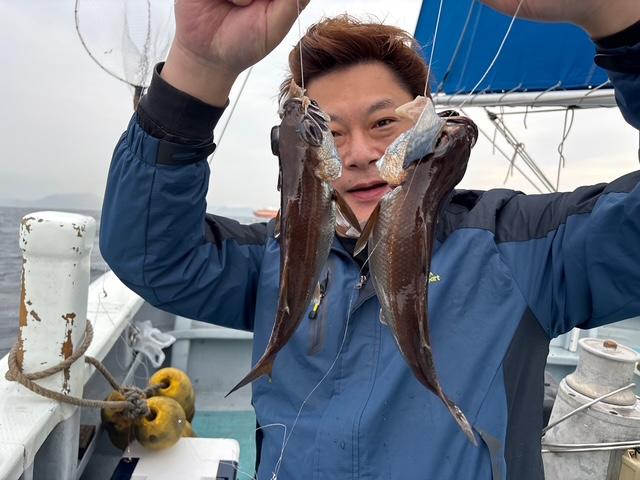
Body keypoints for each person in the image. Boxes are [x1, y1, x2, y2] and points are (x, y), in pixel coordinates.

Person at [100, 0, 640, 478]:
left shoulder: (523, 247)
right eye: (330, 133)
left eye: (383, 123)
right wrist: (199, 65)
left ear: (426, 125)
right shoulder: (275, 258)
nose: (359, 154)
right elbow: (151, 255)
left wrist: (618, 16)